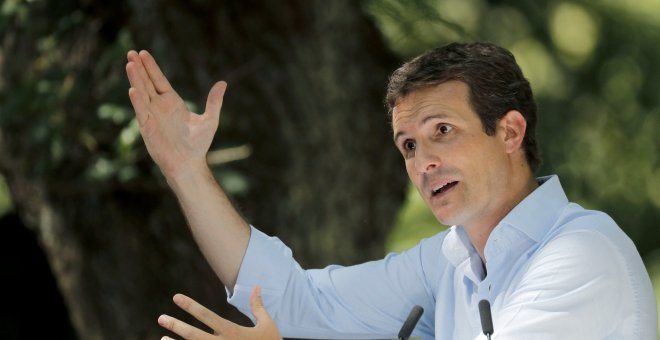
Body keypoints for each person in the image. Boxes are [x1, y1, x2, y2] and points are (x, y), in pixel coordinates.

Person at [125, 42, 658, 339]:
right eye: (407, 145)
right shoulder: (448, 264)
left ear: (510, 132)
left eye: (441, 132)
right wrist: (187, 170)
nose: (423, 162)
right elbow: (295, 301)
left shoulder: (584, 253)